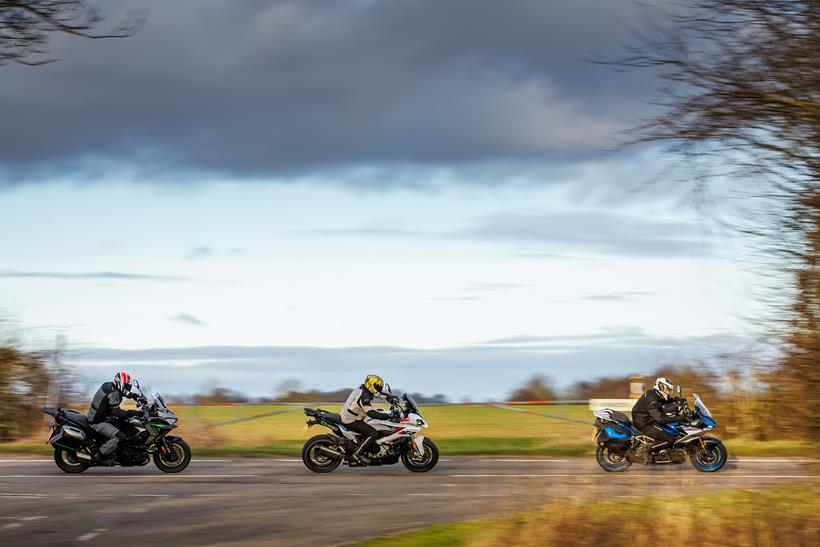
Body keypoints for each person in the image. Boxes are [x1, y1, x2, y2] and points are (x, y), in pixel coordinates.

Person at [340, 374, 396, 464]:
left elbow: (379, 393)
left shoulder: (364, 388)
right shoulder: (364, 396)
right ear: (371, 385)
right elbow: (372, 413)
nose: (379, 389)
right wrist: (389, 416)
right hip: (351, 419)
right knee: (373, 433)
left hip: (356, 415)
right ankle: (357, 454)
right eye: (377, 387)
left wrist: (390, 397)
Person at [87, 371, 141, 464]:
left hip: (102, 416)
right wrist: (134, 412)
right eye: (126, 385)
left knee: (126, 426)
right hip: (98, 421)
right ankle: (99, 455)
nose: (127, 387)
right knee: (120, 437)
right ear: (120, 383)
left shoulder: (109, 385)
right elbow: (116, 412)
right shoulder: (113, 392)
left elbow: (123, 392)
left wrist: (135, 396)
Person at [631, 377, 681, 447]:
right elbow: (661, 420)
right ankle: (647, 452)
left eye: (670, 390)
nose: (669, 392)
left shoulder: (653, 393)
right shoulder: (652, 401)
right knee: (669, 439)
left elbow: (661, 401)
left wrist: (674, 400)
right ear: (661, 387)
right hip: (643, 423)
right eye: (668, 390)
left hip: (645, 418)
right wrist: (680, 418)